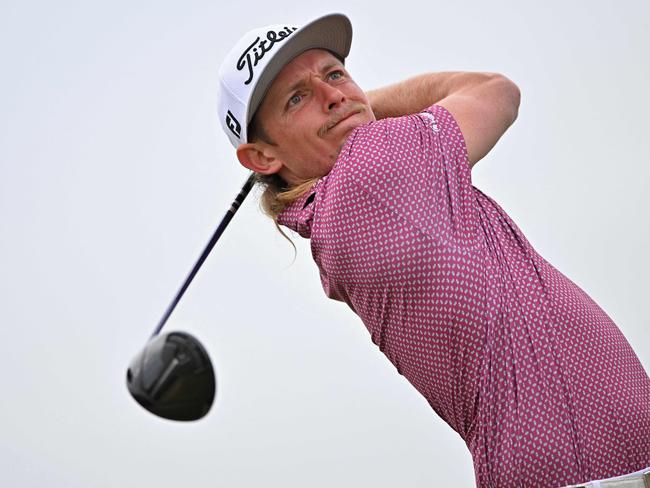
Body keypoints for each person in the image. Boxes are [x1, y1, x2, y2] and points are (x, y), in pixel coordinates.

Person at [216, 13, 650, 488]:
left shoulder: (336, 212)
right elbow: (495, 91)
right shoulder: (369, 169)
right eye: (297, 98)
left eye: (334, 74)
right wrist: (358, 108)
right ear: (261, 157)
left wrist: (337, 113)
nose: (333, 95)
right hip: (590, 466)